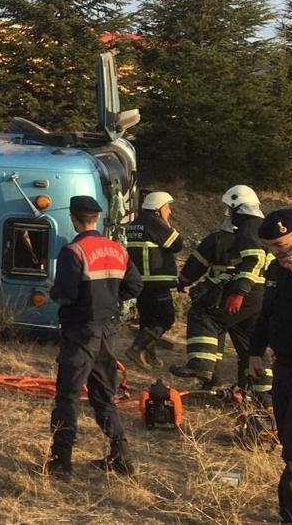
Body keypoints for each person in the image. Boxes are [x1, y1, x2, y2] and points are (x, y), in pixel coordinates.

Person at [44, 195, 143, 478]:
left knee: (68, 395)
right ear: (97, 218)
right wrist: (111, 300)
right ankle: (121, 456)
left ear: (74, 219)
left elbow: (65, 295)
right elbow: (135, 286)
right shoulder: (117, 249)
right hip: (107, 331)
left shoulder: (74, 252)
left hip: (80, 332)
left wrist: (53, 289)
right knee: (104, 395)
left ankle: (61, 462)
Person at [171, 185, 272, 396]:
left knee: (205, 314)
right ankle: (260, 392)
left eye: (231, 209)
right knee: (251, 342)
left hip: (247, 289)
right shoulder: (262, 227)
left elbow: (254, 259)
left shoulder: (249, 227)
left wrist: (239, 292)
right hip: (262, 294)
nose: (229, 214)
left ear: (238, 207)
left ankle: (201, 366)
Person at [252, 208, 292, 524]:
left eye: (281, 245)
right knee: (288, 440)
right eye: (270, 246)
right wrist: (255, 351)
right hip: (284, 366)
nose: (276, 252)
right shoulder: (275, 269)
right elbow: (266, 313)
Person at [124, 191, 183, 369]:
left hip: (139, 282)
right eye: (167, 207)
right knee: (165, 318)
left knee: (148, 320)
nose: (169, 211)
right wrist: (166, 223)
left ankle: (149, 356)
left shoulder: (135, 224)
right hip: (156, 281)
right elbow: (177, 244)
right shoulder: (155, 223)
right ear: (158, 208)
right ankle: (136, 348)